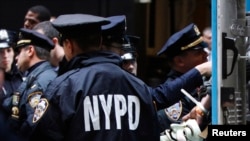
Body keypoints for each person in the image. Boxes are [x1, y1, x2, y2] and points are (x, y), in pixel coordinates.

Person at [27, 13, 211, 141]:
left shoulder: (62, 88)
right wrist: (200, 71)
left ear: (69, 46)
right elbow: (159, 102)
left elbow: (38, 135)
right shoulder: (136, 86)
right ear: (99, 42)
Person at [2, 28, 57, 139]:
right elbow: (11, 103)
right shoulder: (33, 77)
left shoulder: (41, 81)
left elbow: (33, 125)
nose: (16, 57)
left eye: (20, 51)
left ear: (30, 51)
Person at [156, 23, 211, 133]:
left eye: (204, 50)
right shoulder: (174, 96)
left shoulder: (204, 81)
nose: (206, 55)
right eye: (198, 52)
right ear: (179, 61)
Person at [0, 29, 23, 106]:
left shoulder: (24, 75)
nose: (5, 56)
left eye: (9, 50)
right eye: (1, 52)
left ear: (14, 53)